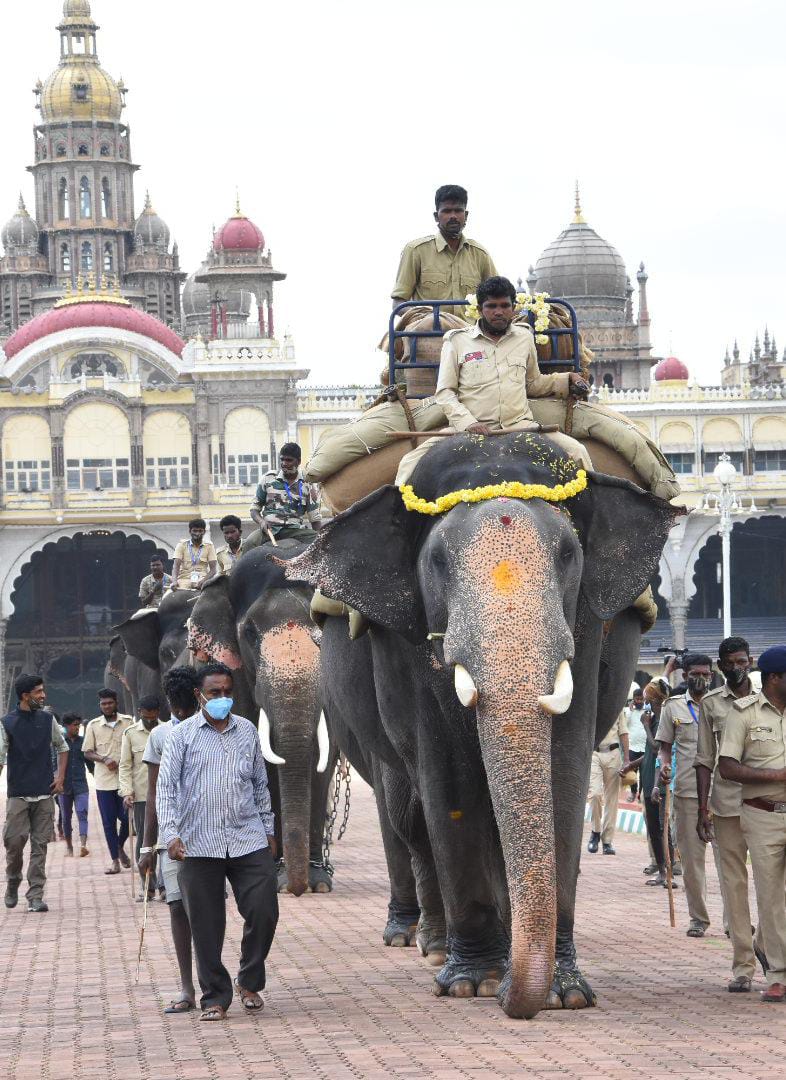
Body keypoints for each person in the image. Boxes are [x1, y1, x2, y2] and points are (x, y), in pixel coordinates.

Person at [157, 662, 279, 1021]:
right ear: (199, 695)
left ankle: (250, 979)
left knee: (264, 907)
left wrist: (268, 829)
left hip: (247, 836)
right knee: (206, 926)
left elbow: (260, 785)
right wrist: (171, 835)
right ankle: (215, 997)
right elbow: (165, 790)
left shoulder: (247, 731)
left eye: (228, 692)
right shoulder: (181, 737)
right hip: (197, 842)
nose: (222, 698)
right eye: (215, 693)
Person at [394, 276, 592, 486]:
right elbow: (445, 393)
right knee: (409, 463)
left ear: (514, 308)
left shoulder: (524, 337)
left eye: (505, 305)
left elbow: (532, 384)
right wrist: (468, 423)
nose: (499, 311)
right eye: (492, 306)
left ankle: (593, 514)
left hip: (520, 426)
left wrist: (566, 380)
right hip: (466, 429)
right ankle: (398, 515)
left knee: (578, 453)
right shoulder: (457, 341)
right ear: (480, 309)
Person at [694, 636, 763, 992]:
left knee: (774, 883)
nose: (736, 667)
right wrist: (703, 808)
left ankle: (765, 944)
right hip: (726, 806)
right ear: (721, 667)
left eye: (741, 661)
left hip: (766, 803)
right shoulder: (711, 705)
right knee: (734, 886)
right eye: (730, 663)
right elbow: (705, 759)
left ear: (750, 661)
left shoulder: (771, 698)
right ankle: (742, 966)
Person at [718, 645, 786, 1003]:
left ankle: (772, 953)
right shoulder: (743, 714)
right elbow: (727, 767)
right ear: (774, 678)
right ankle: (778, 975)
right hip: (762, 815)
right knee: (772, 898)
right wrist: (777, 774)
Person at [139, 666, 201, 1014]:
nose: (178, 709)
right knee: (177, 907)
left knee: (205, 911)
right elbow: (152, 793)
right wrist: (148, 847)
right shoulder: (160, 736)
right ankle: (186, 986)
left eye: (183, 701)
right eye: (173, 702)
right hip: (171, 839)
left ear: (197, 696)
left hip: (209, 837)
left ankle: (211, 980)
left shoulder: (216, 730)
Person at [656, 653, 724, 938]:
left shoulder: (724, 704)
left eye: (707, 674)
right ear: (685, 676)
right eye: (696, 673)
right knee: (693, 863)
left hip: (723, 793)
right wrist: (664, 766)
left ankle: (734, 922)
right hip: (686, 792)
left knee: (728, 861)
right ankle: (699, 918)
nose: (702, 678)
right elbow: (664, 747)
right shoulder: (672, 707)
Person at [0, 674, 67, 912]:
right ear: (25, 696)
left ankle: (35, 895)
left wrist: (59, 777)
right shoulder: (6, 723)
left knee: (40, 846)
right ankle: (13, 880)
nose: (43, 695)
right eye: (38, 692)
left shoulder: (48, 720)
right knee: (14, 843)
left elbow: (63, 747)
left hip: (44, 794)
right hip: (18, 795)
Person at [391, 184, 497, 310]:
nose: (453, 216)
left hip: (470, 329)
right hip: (429, 328)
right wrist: (425, 320)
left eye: (458, 210)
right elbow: (399, 303)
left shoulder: (480, 255)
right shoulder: (416, 251)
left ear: (466, 215)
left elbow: (498, 298)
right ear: (436, 216)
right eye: (447, 211)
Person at [82, 688, 133, 875]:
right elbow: (87, 751)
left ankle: (119, 847)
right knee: (108, 823)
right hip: (104, 783)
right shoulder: (93, 726)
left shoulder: (128, 722)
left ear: (116, 702)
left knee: (129, 819)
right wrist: (104, 759)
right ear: (100, 705)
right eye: (103, 704)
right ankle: (114, 861)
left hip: (125, 781)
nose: (107, 706)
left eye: (110, 703)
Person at [119, 695, 161, 900]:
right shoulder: (130, 734)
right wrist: (126, 792)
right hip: (143, 797)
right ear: (140, 713)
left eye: (154, 719)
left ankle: (164, 886)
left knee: (165, 841)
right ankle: (148, 887)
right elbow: (125, 766)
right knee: (145, 842)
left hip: (166, 795)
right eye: (147, 718)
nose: (151, 722)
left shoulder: (167, 731)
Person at [639, 678, 676, 887]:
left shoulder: (661, 718)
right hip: (647, 778)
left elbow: (656, 750)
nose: (645, 703)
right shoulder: (653, 717)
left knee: (662, 828)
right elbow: (646, 753)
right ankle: (662, 871)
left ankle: (667, 872)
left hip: (659, 780)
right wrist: (630, 764)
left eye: (647, 699)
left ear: (653, 698)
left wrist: (645, 727)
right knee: (653, 828)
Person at [249, 444, 321, 543]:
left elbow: (315, 519)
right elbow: (254, 509)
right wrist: (261, 522)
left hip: (296, 531)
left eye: (289, 460)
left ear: (298, 461)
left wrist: (320, 540)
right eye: (282, 459)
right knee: (249, 544)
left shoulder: (308, 483)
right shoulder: (268, 479)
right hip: (269, 530)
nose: (284, 463)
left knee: (319, 542)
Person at [587, 711, 630, 855]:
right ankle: (595, 832)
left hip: (613, 753)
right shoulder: (592, 702)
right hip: (594, 753)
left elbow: (623, 732)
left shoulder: (617, 705)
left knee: (612, 799)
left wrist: (627, 760)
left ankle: (607, 841)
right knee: (594, 794)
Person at [58, 712, 90, 858]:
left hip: (81, 785)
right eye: (74, 725)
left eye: (79, 725)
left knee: (82, 813)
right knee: (66, 817)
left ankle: (83, 845)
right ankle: (69, 847)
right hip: (63, 787)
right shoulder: (59, 742)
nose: (77, 727)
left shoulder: (84, 742)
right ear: (66, 726)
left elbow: (90, 763)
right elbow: (53, 762)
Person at [170, 519, 218, 592]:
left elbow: (213, 570)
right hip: (184, 580)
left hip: (203, 580)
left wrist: (203, 581)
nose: (197, 533)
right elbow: (176, 566)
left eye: (200, 531)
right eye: (195, 531)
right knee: (166, 598)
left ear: (204, 532)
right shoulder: (181, 545)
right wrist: (174, 582)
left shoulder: (209, 546)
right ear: (190, 531)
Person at [621, 684, 647, 802]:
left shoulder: (648, 710)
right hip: (632, 747)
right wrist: (630, 711)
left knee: (644, 773)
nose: (639, 701)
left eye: (641, 699)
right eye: (637, 699)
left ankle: (641, 794)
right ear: (633, 699)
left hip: (645, 748)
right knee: (632, 773)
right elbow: (624, 725)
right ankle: (633, 792)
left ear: (644, 699)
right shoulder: (628, 711)